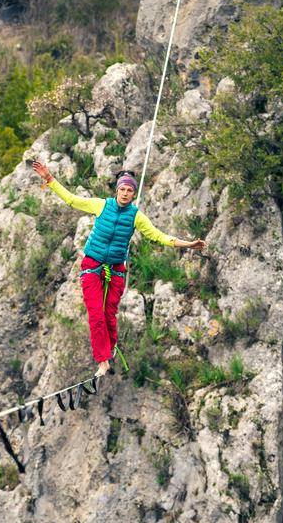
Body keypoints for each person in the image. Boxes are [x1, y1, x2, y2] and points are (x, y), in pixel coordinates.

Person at [31, 160, 206, 378]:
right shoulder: (101, 205)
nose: (125, 193)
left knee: (109, 314)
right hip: (92, 266)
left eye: (129, 190)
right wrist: (49, 178)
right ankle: (102, 361)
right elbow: (71, 200)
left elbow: (158, 236)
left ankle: (109, 349)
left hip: (115, 270)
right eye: (122, 189)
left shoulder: (136, 217)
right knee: (96, 314)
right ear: (117, 190)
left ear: (134, 194)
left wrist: (188, 244)